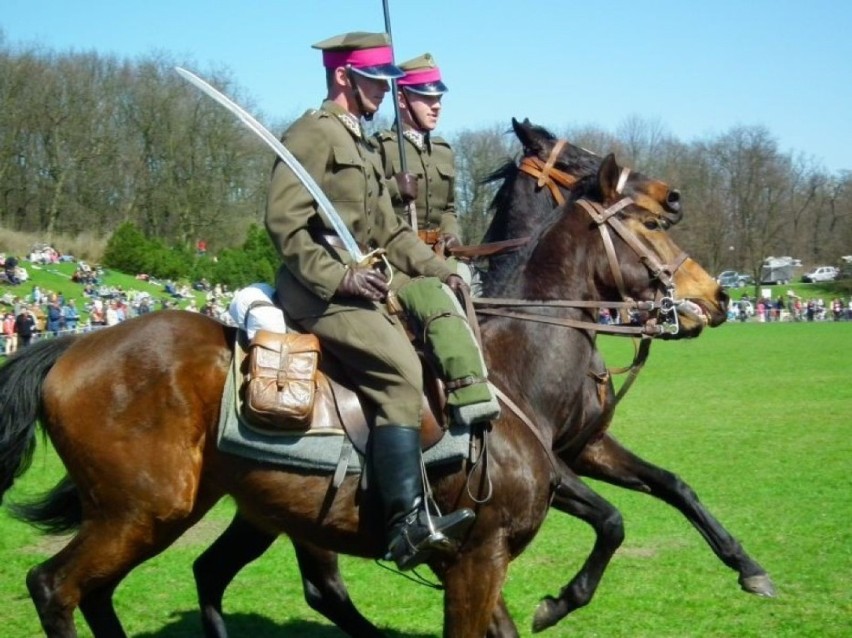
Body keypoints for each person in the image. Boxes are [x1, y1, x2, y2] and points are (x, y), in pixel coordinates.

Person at [265, 31, 478, 571]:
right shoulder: (312, 134)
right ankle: (404, 523)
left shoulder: (359, 141)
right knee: (402, 372)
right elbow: (285, 223)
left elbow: (389, 229)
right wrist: (337, 279)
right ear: (343, 77)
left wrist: (441, 270)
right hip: (318, 289)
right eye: (373, 81)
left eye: (386, 84)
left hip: (369, 277)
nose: (383, 92)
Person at [374, 53, 461, 250]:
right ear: (401, 99)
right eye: (427, 98)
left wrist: (451, 234)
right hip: (397, 255)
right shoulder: (380, 147)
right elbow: (366, 201)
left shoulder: (444, 152)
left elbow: (449, 209)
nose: (437, 106)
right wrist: (394, 188)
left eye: (438, 97)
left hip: (440, 254)